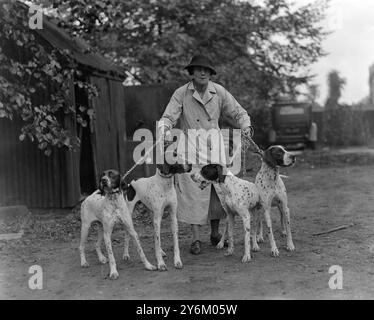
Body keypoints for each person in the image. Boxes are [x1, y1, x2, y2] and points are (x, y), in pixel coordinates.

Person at [158, 54, 254, 254]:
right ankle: (195, 239)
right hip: (191, 147)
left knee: (218, 193)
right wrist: (165, 130)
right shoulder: (181, 93)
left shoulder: (218, 92)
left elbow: (239, 112)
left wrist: (245, 126)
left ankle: (215, 233)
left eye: (207, 70)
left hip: (215, 147)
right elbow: (168, 117)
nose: (202, 73)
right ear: (191, 73)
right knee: (193, 193)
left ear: (210, 74)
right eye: (198, 69)